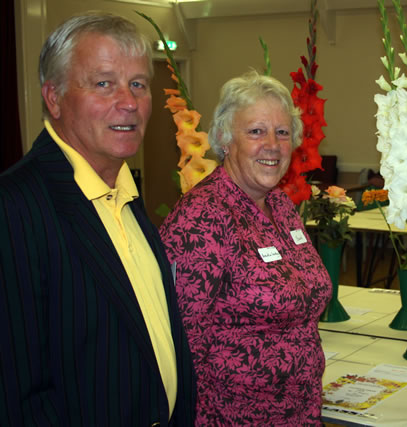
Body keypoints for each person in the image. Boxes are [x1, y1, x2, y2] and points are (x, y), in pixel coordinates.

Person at [0, 12, 196, 426]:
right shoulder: (14, 207)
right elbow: (18, 394)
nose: (128, 102)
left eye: (138, 84)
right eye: (104, 83)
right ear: (53, 98)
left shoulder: (124, 193)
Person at [159, 70, 332, 425]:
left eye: (282, 133)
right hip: (231, 416)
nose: (272, 144)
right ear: (225, 140)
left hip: (300, 412)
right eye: (256, 131)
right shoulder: (202, 218)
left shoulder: (281, 207)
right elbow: (174, 339)